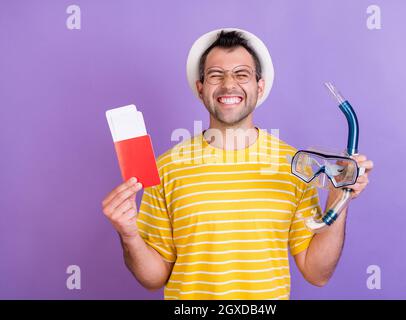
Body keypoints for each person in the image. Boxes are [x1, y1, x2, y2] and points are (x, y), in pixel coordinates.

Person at [101, 28, 374, 300]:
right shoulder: (167, 167)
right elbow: (154, 278)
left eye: (241, 74)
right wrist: (129, 236)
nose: (228, 84)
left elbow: (317, 273)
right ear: (200, 88)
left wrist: (339, 198)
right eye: (215, 75)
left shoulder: (295, 166)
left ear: (259, 86)